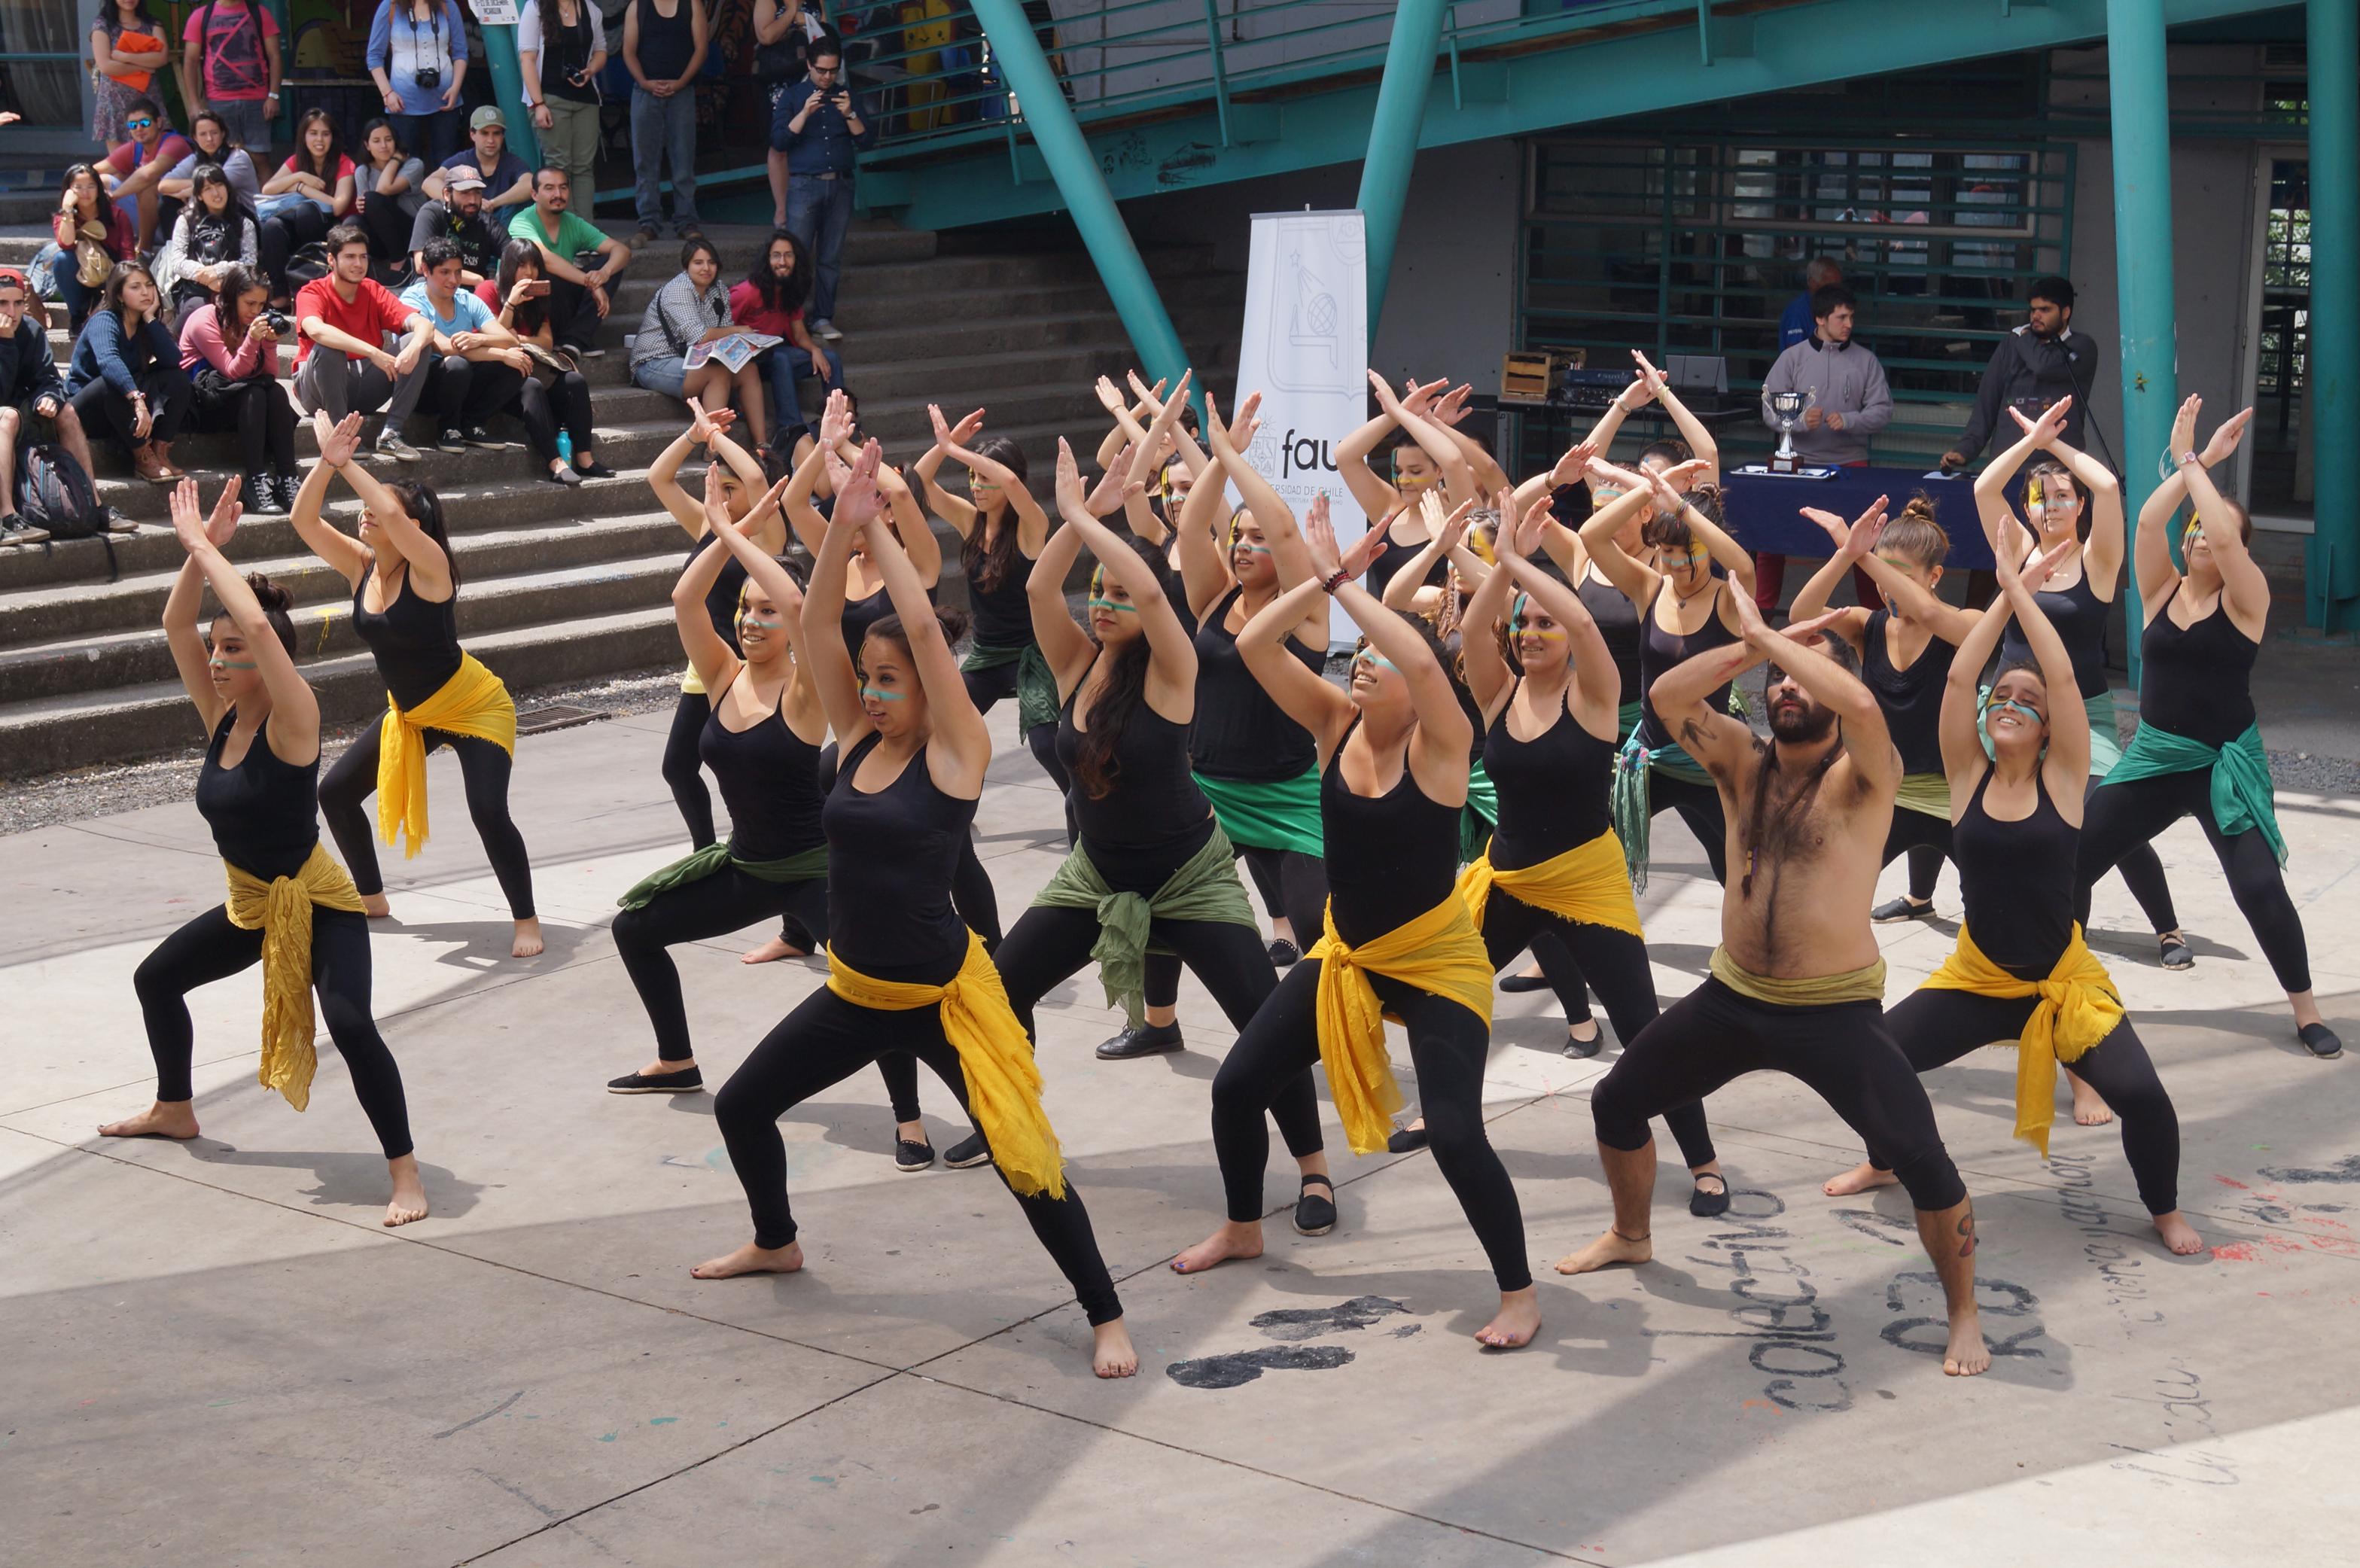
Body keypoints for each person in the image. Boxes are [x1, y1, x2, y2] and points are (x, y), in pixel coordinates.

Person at [696, 440, 1141, 1384]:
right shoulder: (855, 740)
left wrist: (887, 534)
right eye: (868, 678)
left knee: (1028, 1159)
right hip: (857, 992)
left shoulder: (957, 755)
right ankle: (777, 1239)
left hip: (943, 997)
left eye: (889, 680)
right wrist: (843, 526)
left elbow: (931, 638)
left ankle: (1105, 1311)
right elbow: (821, 621)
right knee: (741, 1106)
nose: (872, 690)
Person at [1567, 591, 1992, 1380]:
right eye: (1779, 682)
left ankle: (1964, 1312)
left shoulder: (1869, 774)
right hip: (1732, 998)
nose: (1789, 689)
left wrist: (1776, 639)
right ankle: (1632, 1233)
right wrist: (1757, 645)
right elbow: (1664, 697)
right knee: (1616, 1102)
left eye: (1809, 680)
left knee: (1925, 1163)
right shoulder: (1739, 759)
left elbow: (1864, 703)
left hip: (1833, 1011)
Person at [1169, 494, 1540, 1353]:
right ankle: (1241, 1225)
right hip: (1348, 954)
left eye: (1380, 658)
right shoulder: (1334, 726)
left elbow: (1415, 646)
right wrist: (1316, 589)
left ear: (1426, 686)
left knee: (1452, 1130)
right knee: (1235, 1088)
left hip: (1438, 959)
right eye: (1357, 654)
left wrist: (1347, 580)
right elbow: (1256, 643)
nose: (1361, 664)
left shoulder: (1440, 745)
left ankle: (1518, 1292)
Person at [995, 434, 1340, 1230]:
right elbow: (1042, 594)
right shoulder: (1078, 661)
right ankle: (1017, 1125)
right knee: (1000, 990)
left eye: (1119, 592)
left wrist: (1097, 518)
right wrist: (1073, 520)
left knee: (1265, 1020)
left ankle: (1315, 1171)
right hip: (1097, 873)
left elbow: (1156, 595)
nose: (1105, 603)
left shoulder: (1174, 668)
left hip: (1190, 874)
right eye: (1099, 591)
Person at [1822, 536, 2201, 1256]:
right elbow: (1962, 679)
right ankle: (1885, 1160)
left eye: (2028, 702)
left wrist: (2024, 599)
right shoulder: (1968, 776)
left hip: (2061, 984)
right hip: (1978, 978)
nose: (2013, 704)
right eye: (2005, 697)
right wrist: (2003, 592)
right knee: (1874, 1060)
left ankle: (2163, 1209)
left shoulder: (2063, 782)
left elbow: (2060, 681)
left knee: (2146, 1100)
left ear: (2050, 724)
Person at [102, 476, 428, 1229]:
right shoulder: (222, 717)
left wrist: (201, 546)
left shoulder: (294, 720)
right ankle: (174, 1108)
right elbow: (175, 621)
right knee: (157, 980)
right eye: (216, 651)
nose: (216, 660)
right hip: (254, 906)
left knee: (349, 1023)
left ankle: (405, 1172)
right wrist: (202, 552)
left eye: (234, 651)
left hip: (318, 903)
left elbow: (249, 615)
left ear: (270, 658)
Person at [2078, 397, 2339, 1058]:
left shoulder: (2246, 597)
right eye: (2193, 526)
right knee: (2071, 856)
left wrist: (2195, 458)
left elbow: (2225, 536)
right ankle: (2053, 981)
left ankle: (2305, 1011)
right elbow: (2146, 521)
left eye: (2214, 529)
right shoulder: (2160, 588)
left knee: (2257, 887)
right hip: (2157, 757)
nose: (2200, 534)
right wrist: (2197, 464)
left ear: (2239, 548)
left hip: (2224, 764)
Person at [610, 464, 834, 1095]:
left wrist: (742, 538)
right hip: (748, 869)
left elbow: (795, 599)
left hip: (816, 868)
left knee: (870, 980)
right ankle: (676, 1061)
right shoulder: (722, 674)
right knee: (634, 930)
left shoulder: (806, 687)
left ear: (792, 628)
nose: (752, 621)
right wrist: (724, 531)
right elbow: (685, 601)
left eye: (766, 613)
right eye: (743, 609)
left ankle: (909, 1118)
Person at [294, 409, 544, 958]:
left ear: (413, 527)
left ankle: (526, 920)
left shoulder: (431, 566)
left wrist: (348, 463)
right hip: (412, 711)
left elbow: (388, 510)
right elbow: (303, 520)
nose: (368, 513)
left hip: (474, 707)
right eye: (367, 507)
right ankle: (372, 896)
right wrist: (325, 463)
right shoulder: (362, 566)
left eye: (383, 510)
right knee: (334, 793)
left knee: (488, 811)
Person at [1974, 396, 2185, 970]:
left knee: (2100, 817)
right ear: (2027, 507)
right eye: (2040, 497)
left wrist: (2053, 444)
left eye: (2062, 495)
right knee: (2000, 815)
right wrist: (2028, 443)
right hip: (2013, 708)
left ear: (2078, 504)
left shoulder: (2098, 557)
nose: (2051, 505)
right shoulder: (2017, 548)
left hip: (2082, 713)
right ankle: (2054, 932)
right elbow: (1981, 490)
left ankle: (2166, 927)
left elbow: (2111, 490)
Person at [1787, 495, 1980, 928]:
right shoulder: (1866, 625)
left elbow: (1928, 611)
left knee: (1991, 912)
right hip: (1883, 788)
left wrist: (1863, 554)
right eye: (1879, 575)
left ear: (1934, 577)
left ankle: (1921, 898)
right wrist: (1845, 554)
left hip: (1950, 792)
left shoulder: (1965, 623)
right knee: (1829, 899)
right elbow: (1801, 615)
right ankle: (1918, 899)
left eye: (1901, 577)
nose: (1887, 589)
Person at [1577, 454, 1754, 889]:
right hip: (1648, 759)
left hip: (1707, 765)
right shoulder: (1649, 588)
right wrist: (1647, 492)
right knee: (1593, 860)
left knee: (1741, 872)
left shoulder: (1727, 601)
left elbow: (1745, 568)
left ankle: (1748, 951)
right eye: (1667, 552)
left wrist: (1680, 506)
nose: (1675, 565)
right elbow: (1592, 536)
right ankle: (1562, 956)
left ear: (1708, 549)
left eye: (1686, 552)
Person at [913, 406, 1074, 831]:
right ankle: (947, 807)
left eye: (985, 478)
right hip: (986, 657)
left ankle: (1087, 809)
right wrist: (945, 447)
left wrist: (957, 451)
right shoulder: (970, 521)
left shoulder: (1031, 528)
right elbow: (920, 484)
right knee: (942, 726)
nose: (977, 486)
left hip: (1032, 654)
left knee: (1043, 743)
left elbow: (1010, 481)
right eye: (973, 479)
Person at [647, 402, 791, 859]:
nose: (725, 498)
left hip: (751, 669)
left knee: (757, 768)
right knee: (678, 767)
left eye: (730, 488)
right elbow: (659, 478)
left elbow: (755, 480)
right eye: (718, 488)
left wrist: (716, 439)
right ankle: (705, 851)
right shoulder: (709, 525)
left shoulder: (768, 537)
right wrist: (693, 434)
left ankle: (786, 837)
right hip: (707, 667)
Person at [1753, 285, 1893, 610]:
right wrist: (1800, 421)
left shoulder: (1866, 361)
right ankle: (1761, 611)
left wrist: (1849, 420)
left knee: (1864, 543)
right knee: (1770, 535)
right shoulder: (1792, 358)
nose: (1848, 324)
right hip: (1799, 464)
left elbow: (1883, 410)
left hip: (1851, 465)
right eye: (1841, 317)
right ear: (1819, 318)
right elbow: (1769, 407)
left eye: (1851, 317)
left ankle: (1874, 616)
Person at [291, 224, 433, 463]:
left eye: (363, 257)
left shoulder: (373, 290)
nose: (358, 264)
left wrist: (414, 347)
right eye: (349, 257)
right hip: (318, 389)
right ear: (331, 260)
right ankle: (340, 436)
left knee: (419, 343)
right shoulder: (312, 292)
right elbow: (317, 330)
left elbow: (424, 325)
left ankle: (391, 433)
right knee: (329, 348)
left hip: (364, 385)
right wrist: (372, 352)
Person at [1336, 371, 1480, 598]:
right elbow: (1345, 456)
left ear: (1438, 470)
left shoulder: (1459, 513)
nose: (1403, 480)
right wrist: (1394, 416)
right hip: (1385, 630)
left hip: (1442, 631)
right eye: (1397, 471)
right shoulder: (1390, 509)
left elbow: (1453, 460)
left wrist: (1401, 413)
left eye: (1415, 471)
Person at [478, 238, 608, 482]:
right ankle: (555, 463)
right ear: (508, 266)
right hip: (499, 374)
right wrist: (511, 305)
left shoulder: (537, 296)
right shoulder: (488, 290)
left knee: (575, 382)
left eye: (534, 265)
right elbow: (494, 337)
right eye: (522, 265)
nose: (529, 272)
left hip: (533, 366)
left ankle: (584, 457)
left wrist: (519, 338)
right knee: (531, 386)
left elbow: (547, 341)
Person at [773, 33, 872, 342]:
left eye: (833, 71)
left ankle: (822, 318)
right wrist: (804, 113)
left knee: (830, 256)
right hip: (804, 185)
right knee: (795, 256)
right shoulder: (792, 96)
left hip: (841, 184)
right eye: (821, 71)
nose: (827, 77)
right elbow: (778, 142)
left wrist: (849, 113)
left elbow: (867, 141)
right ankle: (789, 319)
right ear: (809, 66)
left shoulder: (847, 95)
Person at [1942, 276, 2100, 471]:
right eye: (2033, 310)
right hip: (2009, 465)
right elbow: (1988, 401)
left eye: (2045, 310)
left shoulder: (2080, 348)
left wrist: (2024, 337)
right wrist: (1966, 449)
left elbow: (2043, 366)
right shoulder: (2012, 344)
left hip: (2060, 469)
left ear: (2066, 312)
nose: (2036, 316)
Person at [178, 263, 297, 515]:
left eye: (261, 305)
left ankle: (288, 478)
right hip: (202, 404)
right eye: (249, 303)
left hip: (238, 401)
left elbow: (270, 374)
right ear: (232, 297)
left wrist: (270, 344)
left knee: (276, 392)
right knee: (253, 393)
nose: (256, 311)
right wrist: (253, 339)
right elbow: (233, 371)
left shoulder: (252, 321)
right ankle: (256, 481)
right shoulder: (205, 320)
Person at [399, 237, 531, 461]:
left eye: (458, 272)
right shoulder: (412, 299)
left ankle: (473, 424)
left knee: (516, 361)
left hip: (461, 382)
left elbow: (508, 339)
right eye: (445, 272)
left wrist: (479, 340)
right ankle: (448, 428)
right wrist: (500, 353)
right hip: (422, 388)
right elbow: (445, 348)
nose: (454, 280)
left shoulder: (466, 299)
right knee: (459, 364)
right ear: (425, 270)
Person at [0, 266, 100, 548]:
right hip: (5, 416)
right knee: (7, 417)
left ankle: (94, 503)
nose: (12, 311)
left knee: (66, 411)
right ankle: (6, 516)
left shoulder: (31, 330)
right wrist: (5, 344)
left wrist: (50, 398)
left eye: (18, 303)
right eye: (3, 303)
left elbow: (51, 379)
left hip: (24, 414)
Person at [66, 262, 191, 486]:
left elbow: (172, 359)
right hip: (89, 408)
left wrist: (151, 320)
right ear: (120, 295)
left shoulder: (145, 324)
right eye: (135, 287)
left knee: (177, 378)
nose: (145, 292)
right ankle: (142, 455)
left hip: (125, 404)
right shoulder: (105, 320)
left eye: (149, 285)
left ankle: (159, 450)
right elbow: (109, 361)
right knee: (110, 383)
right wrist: (137, 399)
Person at [630, 237, 766, 434]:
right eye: (698, 263)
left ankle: (762, 446)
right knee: (718, 372)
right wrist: (739, 330)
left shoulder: (718, 289)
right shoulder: (678, 289)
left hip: (694, 359)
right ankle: (713, 448)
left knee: (749, 370)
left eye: (711, 263)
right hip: (653, 363)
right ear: (687, 266)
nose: (706, 269)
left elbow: (724, 328)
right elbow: (699, 336)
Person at [728, 228, 839, 446]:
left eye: (788, 255)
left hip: (777, 356)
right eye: (776, 255)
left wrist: (815, 350)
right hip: (749, 363)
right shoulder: (747, 292)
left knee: (831, 359)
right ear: (767, 260)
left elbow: (798, 333)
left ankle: (840, 422)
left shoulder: (790, 289)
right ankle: (792, 430)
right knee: (780, 357)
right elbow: (722, 329)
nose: (783, 261)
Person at [508, 165, 632, 358]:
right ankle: (571, 338)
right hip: (527, 299)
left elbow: (621, 250)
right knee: (544, 272)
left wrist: (603, 274)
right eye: (549, 188)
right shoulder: (522, 221)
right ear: (534, 194)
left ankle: (574, 340)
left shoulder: (573, 222)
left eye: (563, 187)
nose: (558, 194)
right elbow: (544, 259)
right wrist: (591, 284)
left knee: (611, 266)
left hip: (562, 297)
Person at [624, 0, 708, 247]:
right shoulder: (637, 6)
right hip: (645, 92)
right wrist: (644, 82)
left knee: (683, 159)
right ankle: (648, 222)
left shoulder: (692, 5)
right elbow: (629, 51)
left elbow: (701, 49)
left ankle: (686, 221)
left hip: (681, 92)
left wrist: (681, 82)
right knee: (645, 162)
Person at [257, 110, 355, 307]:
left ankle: (310, 284)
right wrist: (299, 177)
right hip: (297, 227)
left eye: (325, 134)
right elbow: (268, 188)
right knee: (272, 227)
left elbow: (337, 206)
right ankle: (281, 294)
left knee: (306, 212)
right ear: (304, 136)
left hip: (331, 227)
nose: (319, 139)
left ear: (333, 137)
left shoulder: (344, 163)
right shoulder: (297, 160)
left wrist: (304, 189)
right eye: (313, 133)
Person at [518, 0, 608, 190]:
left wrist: (590, 70)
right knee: (559, 169)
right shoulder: (535, 8)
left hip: (586, 99)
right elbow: (527, 59)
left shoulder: (590, 9)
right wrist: (538, 104)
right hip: (550, 98)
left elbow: (601, 51)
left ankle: (583, 220)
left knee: (584, 168)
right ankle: (565, 220)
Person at [367, 0, 469, 166]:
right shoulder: (391, 5)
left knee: (447, 160)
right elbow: (374, 56)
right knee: (406, 162)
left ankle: (443, 193)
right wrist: (388, 93)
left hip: (445, 98)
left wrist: (456, 88)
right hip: (403, 102)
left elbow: (461, 52)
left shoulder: (447, 5)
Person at [753, 0, 826, 228]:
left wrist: (804, 21)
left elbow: (826, 31)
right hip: (781, 83)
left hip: (813, 78)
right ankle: (782, 212)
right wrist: (792, 12)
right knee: (780, 145)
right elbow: (765, 36)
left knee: (816, 138)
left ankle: (815, 207)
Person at [156, 160, 259, 318]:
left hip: (234, 287)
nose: (216, 193)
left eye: (219, 185)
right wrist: (206, 278)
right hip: (195, 288)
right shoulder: (186, 220)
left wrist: (218, 271)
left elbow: (249, 262)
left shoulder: (244, 223)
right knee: (194, 313)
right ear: (199, 195)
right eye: (208, 189)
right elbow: (178, 262)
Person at [178, 0, 282, 156]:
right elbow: (190, 61)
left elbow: (275, 57)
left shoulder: (260, 13)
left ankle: (265, 182)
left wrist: (273, 95)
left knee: (260, 158)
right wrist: (194, 104)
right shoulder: (200, 16)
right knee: (222, 157)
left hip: (258, 100)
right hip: (218, 101)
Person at [99, 95, 192, 252]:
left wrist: (113, 197)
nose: (139, 129)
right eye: (133, 125)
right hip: (148, 222)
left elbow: (148, 175)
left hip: (178, 223)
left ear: (159, 122)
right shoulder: (135, 147)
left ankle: (144, 250)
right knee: (101, 182)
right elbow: (92, 171)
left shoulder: (175, 143)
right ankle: (101, 241)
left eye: (145, 123)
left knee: (148, 188)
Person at [50, 163, 137, 331]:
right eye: (78, 187)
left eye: (91, 186)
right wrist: (68, 209)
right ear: (69, 190)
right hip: (81, 274)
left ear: (99, 188)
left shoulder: (117, 215)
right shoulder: (63, 217)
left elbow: (128, 255)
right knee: (62, 259)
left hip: (109, 275)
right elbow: (66, 244)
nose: (85, 192)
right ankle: (77, 315)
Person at [90, 0, 174, 148]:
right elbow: (106, 66)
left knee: (153, 159)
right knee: (120, 165)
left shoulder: (153, 24)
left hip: (148, 99)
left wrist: (124, 57)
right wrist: (145, 67)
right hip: (115, 102)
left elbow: (161, 58)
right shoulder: (102, 25)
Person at [423, 107, 534, 217]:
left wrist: (492, 203)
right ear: (472, 135)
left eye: (496, 134)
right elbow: (429, 183)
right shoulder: (462, 160)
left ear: (503, 136)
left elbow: (530, 184)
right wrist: (464, 202)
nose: (491, 140)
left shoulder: (512, 162)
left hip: (503, 221)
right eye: (484, 133)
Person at [354, 117, 428, 281]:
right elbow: (367, 212)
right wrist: (361, 206)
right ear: (367, 145)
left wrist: (395, 160)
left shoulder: (414, 165)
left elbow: (383, 190)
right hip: (382, 237)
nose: (383, 146)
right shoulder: (362, 172)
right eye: (376, 141)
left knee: (372, 199)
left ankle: (399, 261)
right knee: (352, 223)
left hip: (411, 232)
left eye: (388, 140)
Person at [407, 163, 504, 287]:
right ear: (447, 194)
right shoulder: (431, 213)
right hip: (431, 292)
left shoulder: (486, 222)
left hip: (472, 298)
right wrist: (476, 279)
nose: (473, 200)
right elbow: (421, 264)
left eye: (477, 193)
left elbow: (513, 253)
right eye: (465, 193)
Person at [157, 109, 262, 217]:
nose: (209, 139)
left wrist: (187, 191)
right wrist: (195, 185)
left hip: (243, 217)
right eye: (203, 134)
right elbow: (163, 185)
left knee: (212, 198)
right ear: (195, 138)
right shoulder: (195, 158)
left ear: (223, 134)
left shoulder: (238, 157)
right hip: (209, 217)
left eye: (214, 133)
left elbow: (218, 186)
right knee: (167, 202)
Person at [1778, 256, 1841, 351]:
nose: (1837, 291)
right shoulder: (1797, 312)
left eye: (1838, 286)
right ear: (1813, 283)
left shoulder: (1831, 308)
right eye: (1831, 286)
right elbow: (1795, 358)